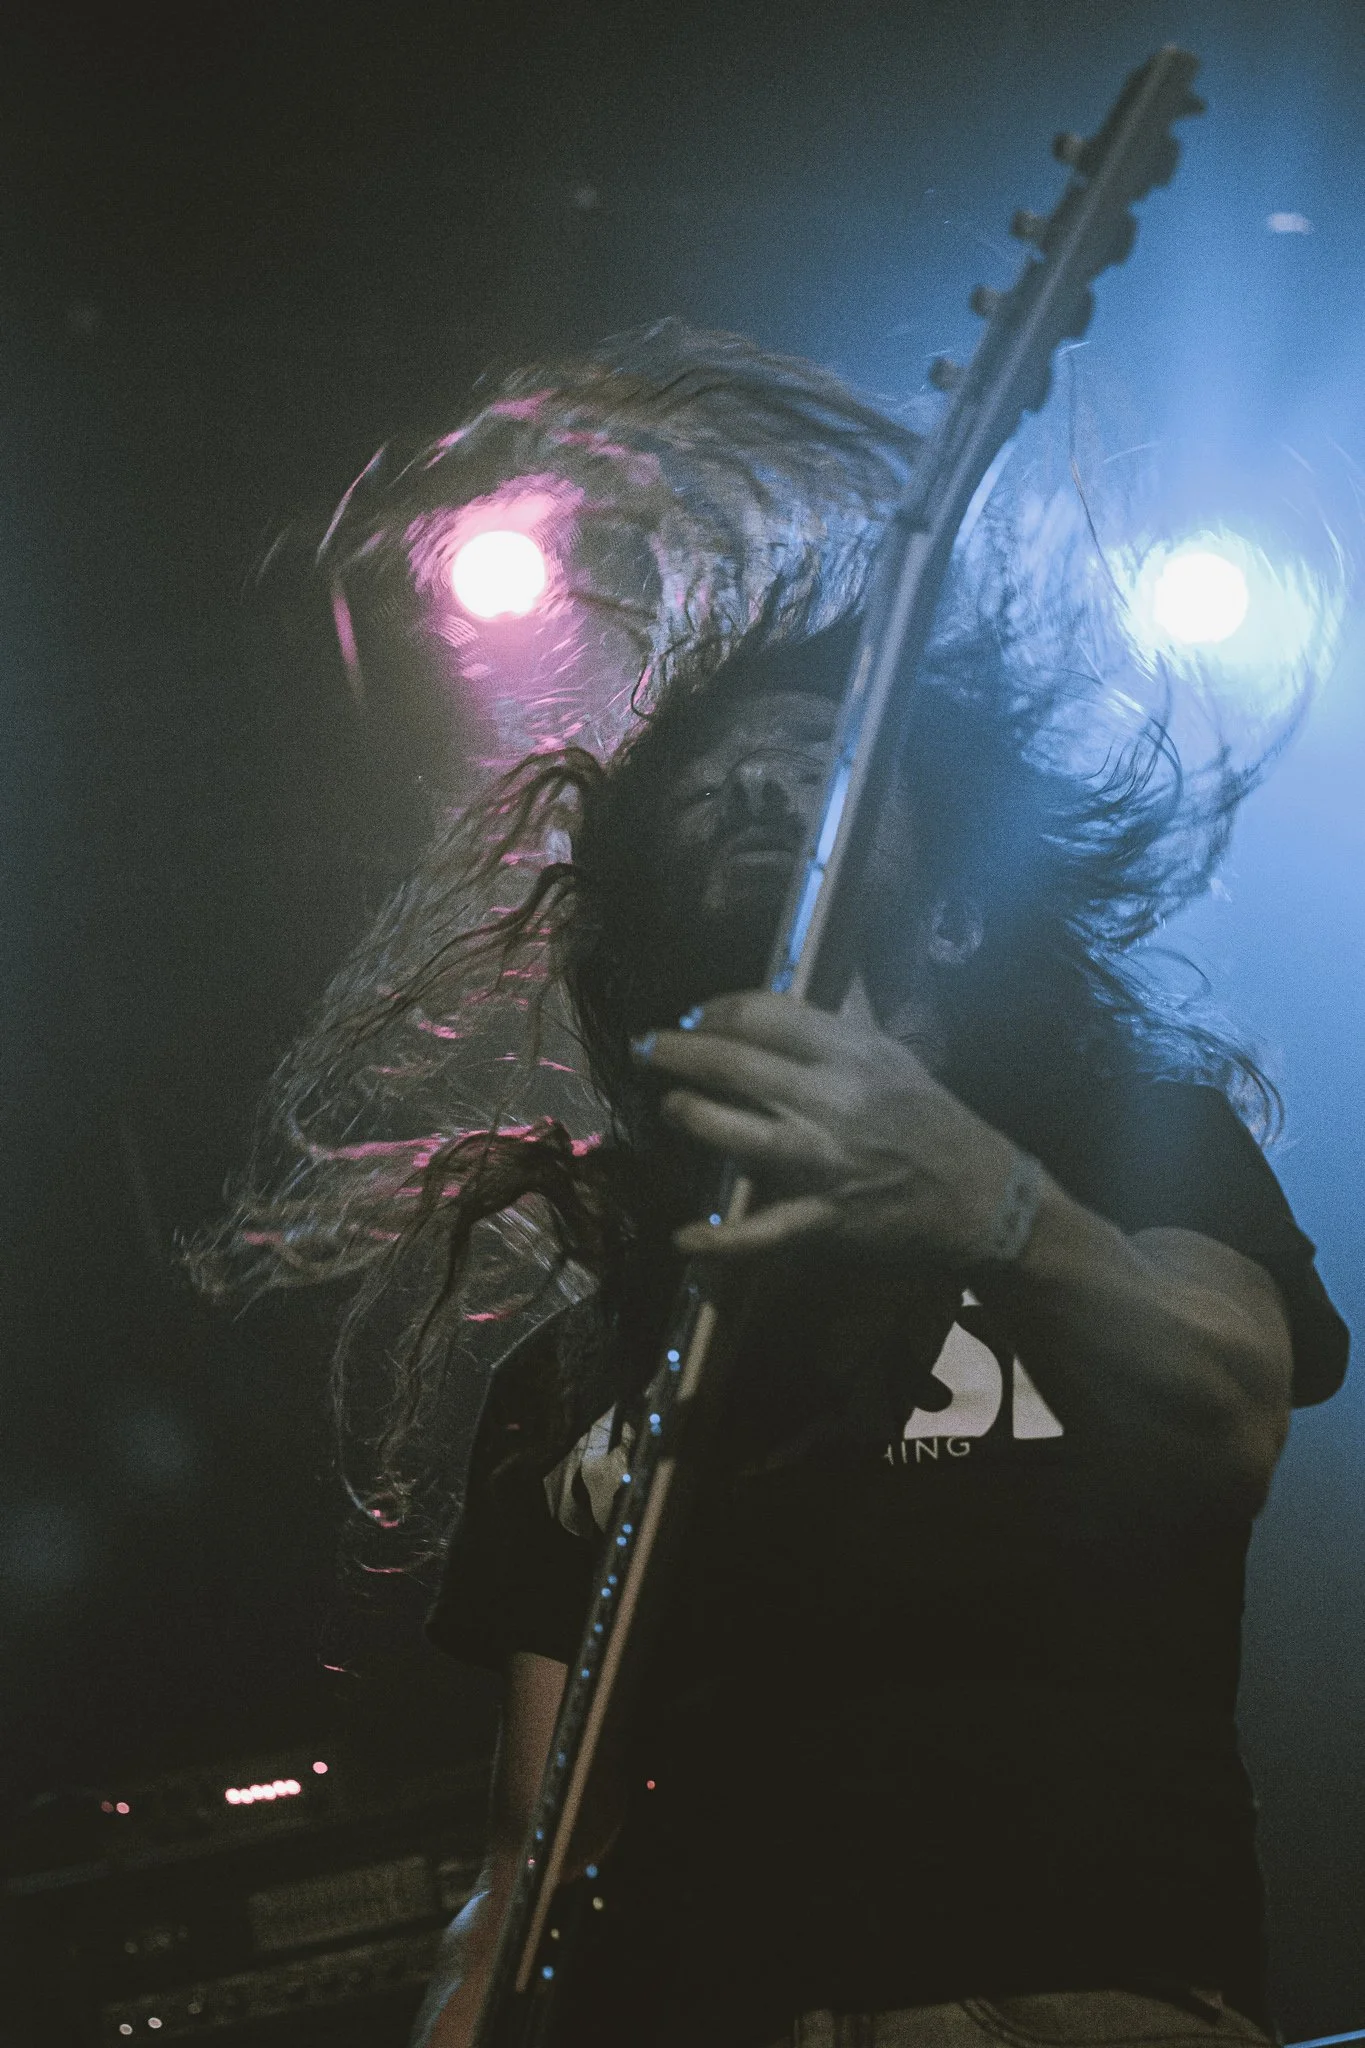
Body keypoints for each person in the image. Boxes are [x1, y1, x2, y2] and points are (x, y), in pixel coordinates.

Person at [194, 332, 1348, 2048]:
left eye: (815, 758)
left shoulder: (1131, 1151)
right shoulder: (590, 1364)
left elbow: (1230, 1408)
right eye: (709, 783)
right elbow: (527, 1861)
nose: (749, 780)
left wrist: (982, 1196)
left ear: (953, 908)